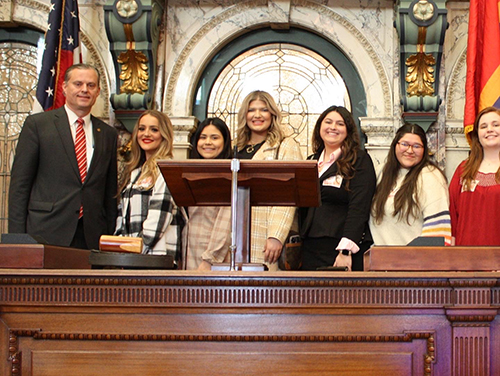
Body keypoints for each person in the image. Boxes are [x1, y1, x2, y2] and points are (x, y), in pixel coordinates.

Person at [9, 64, 118, 250]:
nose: (85, 89)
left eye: (91, 85)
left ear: (98, 91)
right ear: (64, 87)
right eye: (78, 84)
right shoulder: (38, 125)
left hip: (92, 237)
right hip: (46, 233)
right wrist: (17, 241)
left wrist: (109, 235)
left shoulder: (107, 134)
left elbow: (110, 192)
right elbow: (20, 186)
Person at [299, 105, 376, 271]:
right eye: (328, 122)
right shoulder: (311, 161)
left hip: (340, 248)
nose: (333, 127)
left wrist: (345, 250)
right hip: (310, 247)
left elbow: (359, 207)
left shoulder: (359, 160)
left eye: (340, 124)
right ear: (320, 126)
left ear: (348, 130)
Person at [235, 90, 303, 271]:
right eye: (251, 110)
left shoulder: (285, 145)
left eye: (263, 110)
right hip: (235, 235)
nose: (257, 115)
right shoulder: (235, 147)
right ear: (244, 115)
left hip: (265, 236)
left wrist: (276, 236)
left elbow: (289, 194)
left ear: (272, 115)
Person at [114, 110, 183, 261]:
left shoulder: (167, 170)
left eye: (154, 129)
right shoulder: (133, 173)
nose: (146, 134)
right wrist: (119, 251)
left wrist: (133, 252)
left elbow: (157, 223)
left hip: (156, 258)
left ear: (164, 135)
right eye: (141, 128)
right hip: (131, 259)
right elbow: (121, 219)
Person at [370, 123, 451, 246]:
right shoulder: (380, 172)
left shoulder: (431, 177)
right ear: (395, 145)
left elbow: (438, 233)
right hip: (379, 260)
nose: (410, 150)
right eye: (404, 144)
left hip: (414, 262)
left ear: (424, 150)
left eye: (417, 146)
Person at [184, 118, 232, 270]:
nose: (208, 142)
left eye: (215, 137)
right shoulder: (189, 174)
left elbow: (226, 225)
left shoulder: (229, 176)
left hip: (213, 262)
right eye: (203, 137)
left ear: (225, 142)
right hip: (188, 255)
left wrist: (209, 260)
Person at [449, 106, 500, 246]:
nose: (489, 129)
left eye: (496, 125)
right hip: (465, 258)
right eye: (483, 126)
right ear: (477, 134)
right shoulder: (463, 169)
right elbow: (452, 212)